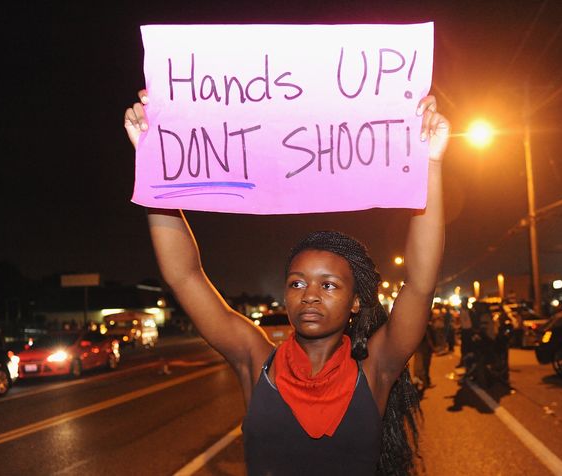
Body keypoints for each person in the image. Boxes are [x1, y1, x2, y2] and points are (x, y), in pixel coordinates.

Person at [124, 90, 449, 475]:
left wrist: (430, 163)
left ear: (356, 302)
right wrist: (153, 163)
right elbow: (183, 274)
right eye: (297, 284)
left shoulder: (376, 369)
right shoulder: (255, 359)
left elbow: (420, 284)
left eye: (328, 285)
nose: (309, 295)